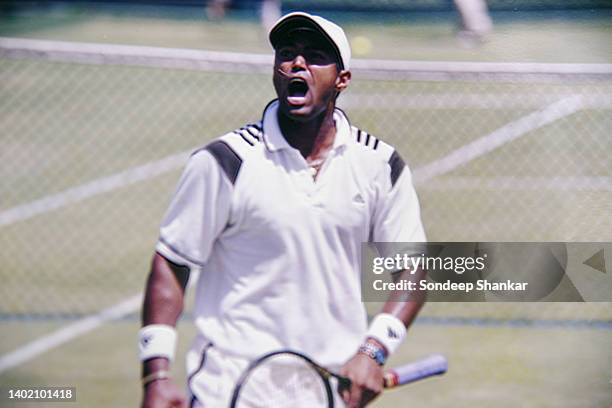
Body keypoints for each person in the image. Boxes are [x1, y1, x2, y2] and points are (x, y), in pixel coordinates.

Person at [139, 12, 426, 408]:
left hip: (328, 393)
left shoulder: (380, 165)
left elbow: (414, 269)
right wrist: (155, 375)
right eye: (287, 53)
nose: (297, 63)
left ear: (342, 79)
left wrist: (373, 351)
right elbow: (171, 263)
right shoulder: (224, 161)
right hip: (229, 389)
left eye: (315, 55)